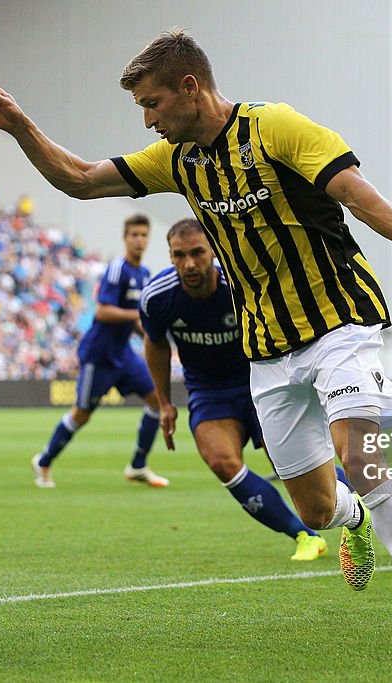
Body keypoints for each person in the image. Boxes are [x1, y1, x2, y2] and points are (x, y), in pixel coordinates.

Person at [0, 29, 392, 652]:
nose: (148, 120)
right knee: (316, 511)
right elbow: (79, 179)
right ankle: (354, 519)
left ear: (190, 87)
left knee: (360, 460)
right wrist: (21, 127)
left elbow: (353, 193)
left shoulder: (277, 129)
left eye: (152, 104)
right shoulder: (177, 162)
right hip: (266, 347)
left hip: (339, 320)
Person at [142, 218, 353, 561]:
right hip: (208, 390)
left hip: (263, 380)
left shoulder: (242, 283)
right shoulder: (157, 297)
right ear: (170, 257)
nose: (189, 264)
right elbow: (155, 345)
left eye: (197, 253)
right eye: (179, 256)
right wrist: (165, 402)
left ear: (213, 249)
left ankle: (361, 499)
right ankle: (304, 535)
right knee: (221, 461)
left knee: (294, 466)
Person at [31, 214, 167, 489]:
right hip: (99, 354)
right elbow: (103, 311)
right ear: (125, 238)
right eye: (134, 235)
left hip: (124, 353)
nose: (139, 240)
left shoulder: (145, 275)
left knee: (157, 400)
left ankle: (138, 465)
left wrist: (152, 336)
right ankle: (44, 461)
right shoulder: (118, 269)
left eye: (143, 235)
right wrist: (136, 317)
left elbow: (135, 322)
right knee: (82, 413)